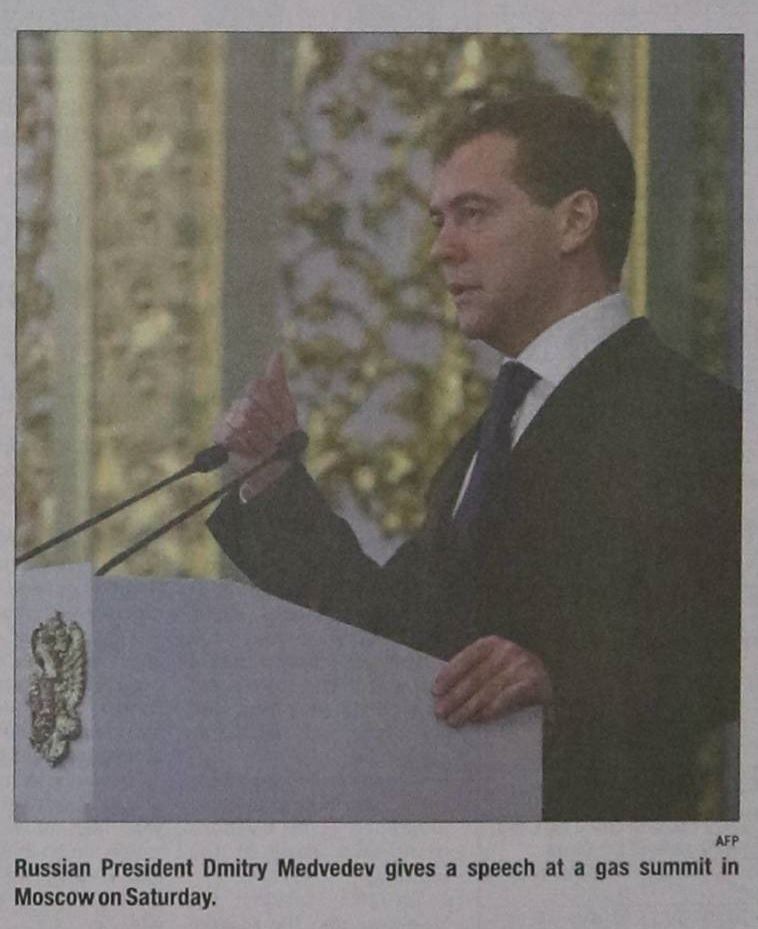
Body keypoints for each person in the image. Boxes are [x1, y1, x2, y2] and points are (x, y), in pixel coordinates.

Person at [208, 93, 740, 821]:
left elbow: (721, 648)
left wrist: (561, 683)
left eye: (474, 213)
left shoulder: (696, 417)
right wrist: (270, 476)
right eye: (439, 220)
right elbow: (401, 637)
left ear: (575, 221)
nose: (441, 248)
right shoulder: (492, 434)